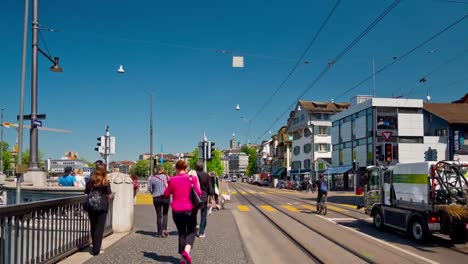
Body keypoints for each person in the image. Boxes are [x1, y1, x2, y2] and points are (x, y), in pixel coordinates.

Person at [164, 160, 201, 264]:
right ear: (186, 168)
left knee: (181, 233)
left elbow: (166, 194)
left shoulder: (172, 179)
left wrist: (166, 185)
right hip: (189, 210)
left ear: (176, 168)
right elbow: (198, 192)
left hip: (176, 211)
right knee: (192, 231)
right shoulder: (191, 178)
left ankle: (182, 259)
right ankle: (186, 251)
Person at [84, 165, 113, 256]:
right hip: (102, 206)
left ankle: (94, 246)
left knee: (93, 226)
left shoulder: (90, 181)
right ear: (104, 172)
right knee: (99, 228)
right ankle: (96, 250)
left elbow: (86, 193)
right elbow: (109, 195)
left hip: (91, 207)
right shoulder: (105, 181)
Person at [148, 166, 170, 237]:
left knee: (159, 215)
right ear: (163, 170)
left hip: (156, 197)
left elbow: (149, 189)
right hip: (166, 197)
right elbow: (170, 187)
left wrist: (154, 192)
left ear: (156, 170)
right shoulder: (167, 177)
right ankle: (164, 229)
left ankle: (159, 233)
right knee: (165, 214)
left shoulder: (152, 178)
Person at [194, 162, 214, 238]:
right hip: (204, 197)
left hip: (194, 196)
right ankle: (201, 232)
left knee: (193, 214)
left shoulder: (193, 174)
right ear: (202, 167)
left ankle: (194, 227)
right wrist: (211, 196)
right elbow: (210, 187)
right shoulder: (206, 175)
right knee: (203, 215)